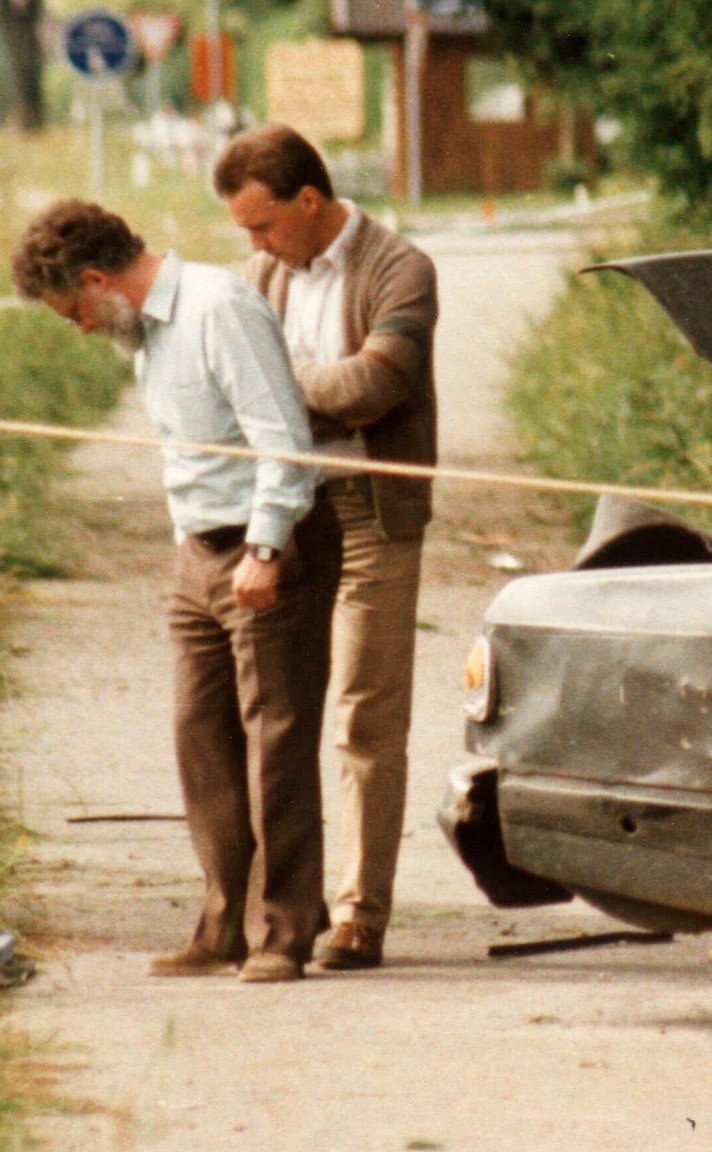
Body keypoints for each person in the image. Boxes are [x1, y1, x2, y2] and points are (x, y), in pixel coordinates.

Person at [11, 201, 341, 983]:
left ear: (97, 279)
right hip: (198, 555)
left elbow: (282, 439)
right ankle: (223, 924)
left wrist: (264, 549)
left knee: (276, 742)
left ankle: (285, 933)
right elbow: (192, 457)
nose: (82, 329)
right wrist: (189, 549)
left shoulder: (218, 308)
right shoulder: (146, 336)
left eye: (76, 313)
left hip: (267, 548)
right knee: (201, 737)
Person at [214, 125, 439, 971]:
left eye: (262, 224)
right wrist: (301, 388)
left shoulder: (401, 268)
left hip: (376, 509)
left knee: (364, 712)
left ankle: (360, 914)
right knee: (281, 708)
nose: (254, 243)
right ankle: (284, 911)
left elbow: (377, 385)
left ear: (309, 201)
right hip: (291, 507)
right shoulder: (262, 273)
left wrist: (275, 383)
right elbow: (283, 391)